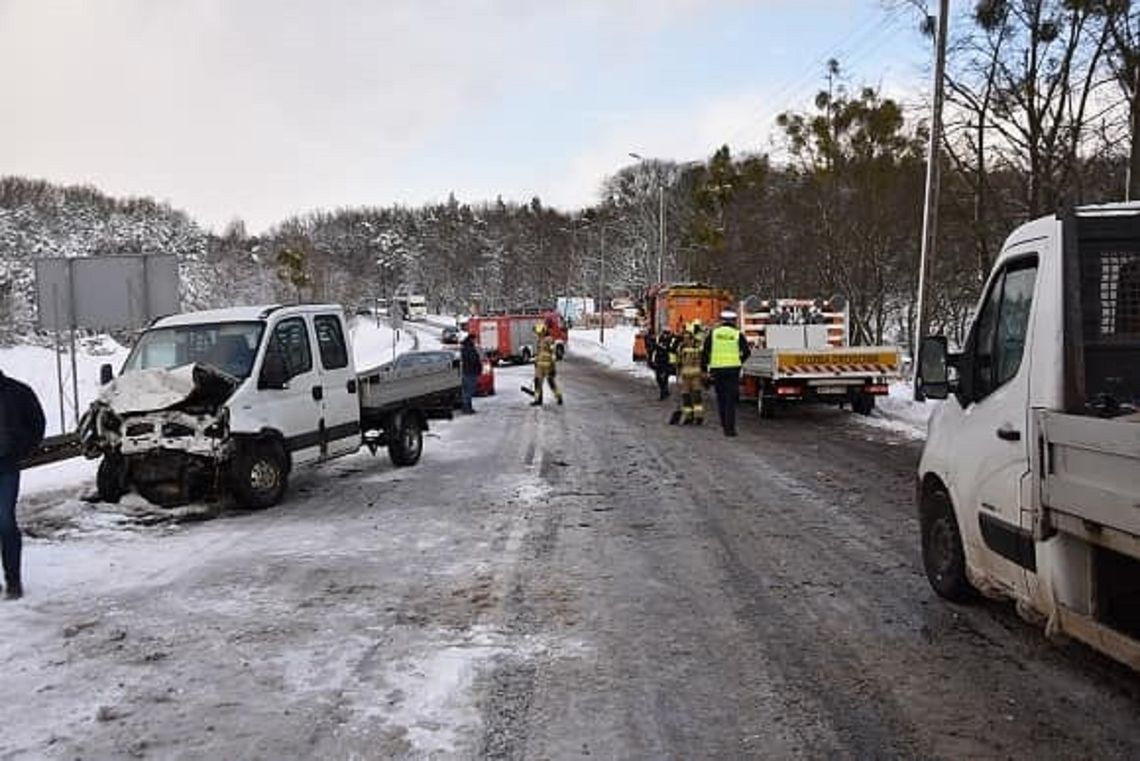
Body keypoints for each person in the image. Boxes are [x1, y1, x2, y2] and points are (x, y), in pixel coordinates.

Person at [0, 371, 45, 600]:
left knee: (5, 521)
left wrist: (21, 449)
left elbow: (37, 423)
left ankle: (13, 581)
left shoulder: (17, 392)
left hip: (5, 466)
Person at [702, 310, 751, 437]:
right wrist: (739, 361)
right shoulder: (737, 334)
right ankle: (730, 429)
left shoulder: (714, 334)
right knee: (730, 400)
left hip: (717, 370)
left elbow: (705, 352)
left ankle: (724, 423)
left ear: (721, 321)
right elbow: (747, 352)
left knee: (721, 398)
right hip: (732, 371)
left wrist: (704, 369)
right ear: (734, 321)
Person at [675, 321, 705, 425]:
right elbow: (678, 360)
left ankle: (694, 416)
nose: (686, 337)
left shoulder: (687, 346)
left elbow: (678, 361)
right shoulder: (691, 345)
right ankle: (693, 416)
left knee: (691, 396)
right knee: (691, 396)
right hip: (691, 375)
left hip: (691, 375)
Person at [530, 323, 563, 406]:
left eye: (539, 333)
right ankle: (538, 400)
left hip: (548, 367)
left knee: (551, 383)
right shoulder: (540, 341)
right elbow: (539, 354)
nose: (538, 334)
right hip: (540, 367)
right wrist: (536, 361)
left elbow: (553, 354)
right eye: (538, 333)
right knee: (537, 383)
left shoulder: (549, 340)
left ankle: (559, 397)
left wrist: (553, 367)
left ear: (543, 331)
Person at [649, 328, 677, 401]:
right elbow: (653, 348)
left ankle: (663, 394)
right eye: (664, 333)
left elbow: (672, 349)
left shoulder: (671, 340)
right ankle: (665, 391)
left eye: (667, 334)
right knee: (659, 378)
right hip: (658, 361)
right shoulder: (659, 339)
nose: (665, 335)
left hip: (667, 362)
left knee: (664, 378)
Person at [459, 334, 481, 414]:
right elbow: (473, 360)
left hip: (468, 372)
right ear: (471, 339)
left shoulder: (466, 348)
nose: (475, 341)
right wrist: (477, 366)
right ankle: (466, 408)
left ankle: (468, 407)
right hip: (470, 372)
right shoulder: (469, 348)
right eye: (475, 339)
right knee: (468, 391)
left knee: (467, 391)